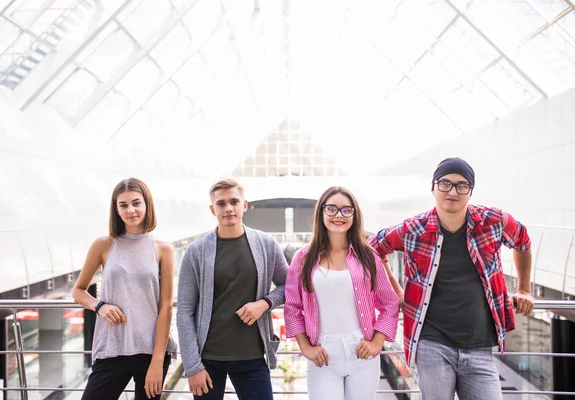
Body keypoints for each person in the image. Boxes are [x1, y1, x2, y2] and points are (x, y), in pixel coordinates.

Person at [369, 157, 535, 400]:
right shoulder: (413, 228)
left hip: (479, 345)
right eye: (445, 183)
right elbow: (372, 249)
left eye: (462, 185)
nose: (453, 191)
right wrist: (395, 292)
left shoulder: (493, 221)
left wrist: (525, 289)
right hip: (432, 343)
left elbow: (522, 240)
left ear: (470, 192)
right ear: (433, 188)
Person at [176, 178, 289, 400]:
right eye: (221, 203)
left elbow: (289, 286)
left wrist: (264, 303)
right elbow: (185, 311)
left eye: (234, 201)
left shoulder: (266, 244)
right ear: (212, 209)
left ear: (244, 205)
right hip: (207, 360)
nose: (228, 208)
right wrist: (192, 367)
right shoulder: (196, 251)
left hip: (253, 356)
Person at [284, 186, 399, 400]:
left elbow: (389, 304)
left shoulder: (368, 256)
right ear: (321, 213)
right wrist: (305, 347)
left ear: (354, 216)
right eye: (332, 209)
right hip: (323, 355)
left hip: (361, 354)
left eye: (347, 210)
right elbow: (292, 307)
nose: (339, 215)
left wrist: (376, 342)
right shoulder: (303, 258)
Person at [72, 177, 177, 400]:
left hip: (151, 351)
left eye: (136, 203)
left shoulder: (163, 249)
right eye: (123, 205)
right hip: (111, 347)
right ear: (116, 209)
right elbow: (79, 291)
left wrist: (157, 362)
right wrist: (99, 306)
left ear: (147, 204)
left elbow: (165, 307)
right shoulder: (104, 244)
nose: (131, 210)